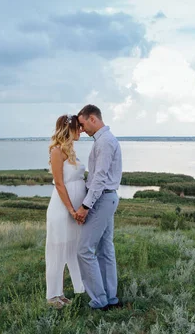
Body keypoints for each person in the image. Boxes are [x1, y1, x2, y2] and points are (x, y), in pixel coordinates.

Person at [75, 104, 123, 311]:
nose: (82, 129)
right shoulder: (105, 140)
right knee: (105, 249)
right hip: (107, 198)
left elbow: (100, 178)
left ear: (92, 118)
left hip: (102, 200)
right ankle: (110, 298)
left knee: (84, 249)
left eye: (83, 124)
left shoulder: (104, 142)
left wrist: (86, 206)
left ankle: (99, 300)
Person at [45, 114, 86, 309]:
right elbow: (60, 184)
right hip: (62, 210)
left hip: (75, 211)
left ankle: (74, 290)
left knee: (72, 249)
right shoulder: (57, 151)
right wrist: (71, 209)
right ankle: (53, 295)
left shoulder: (71, 151)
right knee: (57, 251)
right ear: (68, 129)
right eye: (78, 127)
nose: (81, 131)